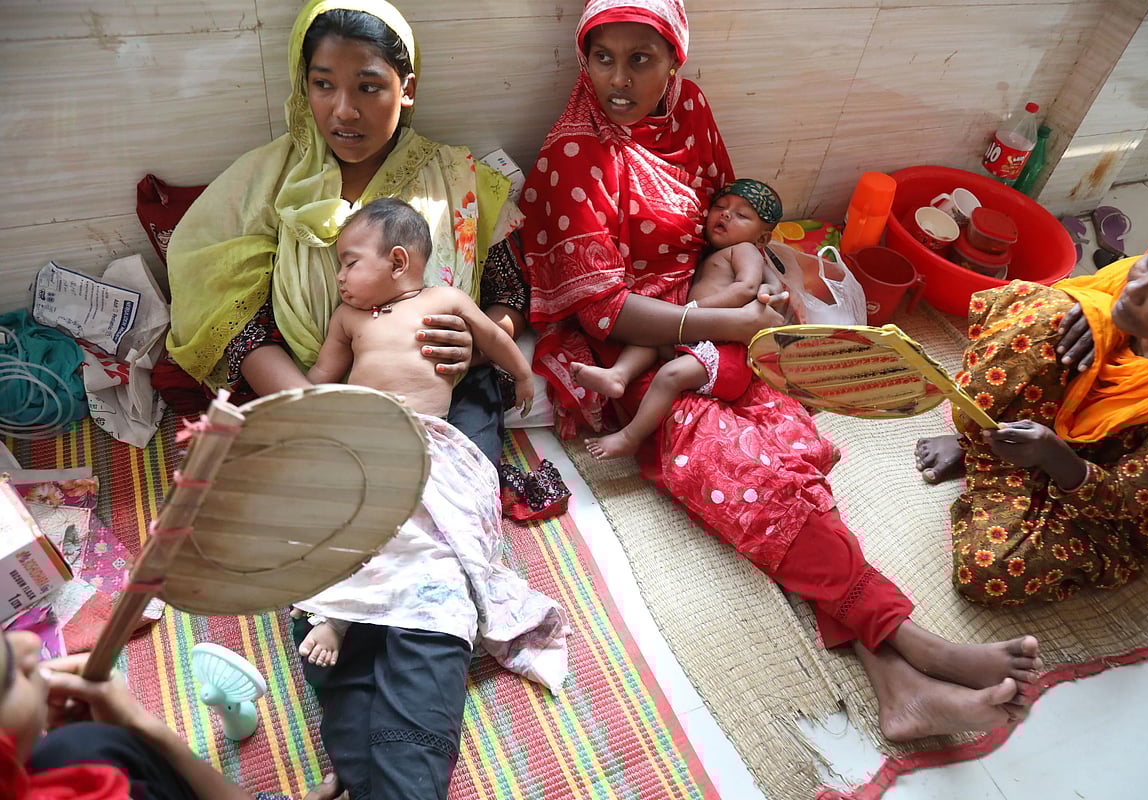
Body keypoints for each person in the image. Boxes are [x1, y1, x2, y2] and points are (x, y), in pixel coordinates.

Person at [519, 0, 1045, 742]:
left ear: (676, 62)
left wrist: (755, 284)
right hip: (634, 350)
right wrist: (718, 322)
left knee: (792, 454)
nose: (619, 79)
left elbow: (724, 210)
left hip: (717, 314)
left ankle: (897, 686)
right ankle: (915, 644)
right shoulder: (577, 154)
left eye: (642, 59)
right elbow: (603, 305)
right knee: (746, 475)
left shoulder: (690, 111)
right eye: (602, 57)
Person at [166, 0, 529, 467]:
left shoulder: (458, 180)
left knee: (458, 498)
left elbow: (513, 294)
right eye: (323, 85)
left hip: (444, 391)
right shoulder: (268, 184)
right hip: (305, 390)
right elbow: (234, 323)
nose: (344, 111)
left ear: (407, 89)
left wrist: (477, 347)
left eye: (368, 86)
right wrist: (319, 410)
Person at [292, 198, 560, 687]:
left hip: (426, 441)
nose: (340, 278)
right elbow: (320, 378)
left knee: (423, 527)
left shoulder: (443, 300)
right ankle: (336, 616)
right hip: (368, 434)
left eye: (349, 263)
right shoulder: (349, 320)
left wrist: (521, 374)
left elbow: (496, 339)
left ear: (397, 262)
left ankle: (397, 611)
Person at [915, 214, 1148, 605]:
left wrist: (1053, 455)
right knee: (1049, 316)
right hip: (1060, 426)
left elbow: (1122, 500)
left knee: (990, 571)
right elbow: (1067, 300)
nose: (1135, 288)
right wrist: (1096, 314)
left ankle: (1000, 462)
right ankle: (982, 446)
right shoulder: (1128, 287)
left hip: (1100, 498)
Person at [574, 178, 787, 460]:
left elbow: (746, 288)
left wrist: (694, 310)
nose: (725, 214)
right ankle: (619, 375)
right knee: (651, 337)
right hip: (702, 340)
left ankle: (630, 437)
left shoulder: (745, 250)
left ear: (761, 239)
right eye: (721, 206)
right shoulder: (713, 251)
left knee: (668, 376)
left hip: (726, 353)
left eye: (741, 214)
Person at [0, 629, 342, 800]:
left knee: (81, 745)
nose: (29, 641)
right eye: (8, 676)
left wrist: (141, 726)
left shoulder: (69, 756)